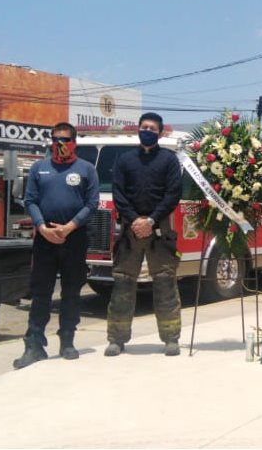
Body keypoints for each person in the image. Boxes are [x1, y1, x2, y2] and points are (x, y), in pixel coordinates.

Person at [13, 122, 99, 369]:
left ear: (74, 142)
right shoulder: (39, 168)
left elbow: (91, 204)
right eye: (56, 139)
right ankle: (34, 345)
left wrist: (69, 227)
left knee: (71, 292)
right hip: (44, 238)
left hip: (75, 237)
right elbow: (30, 200)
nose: (60, 144)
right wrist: (42, 227)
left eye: (65, 139)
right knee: (40, 292)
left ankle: (67, 341)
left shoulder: (86, 169)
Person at [104, 112, 183, 357]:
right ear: (137, 129)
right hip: (131, 232)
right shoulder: (125, 160)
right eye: (143, 126)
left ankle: (171, 338)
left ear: (160, 132)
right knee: (123, 284)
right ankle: (116, 339)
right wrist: (135, 220)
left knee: (165, 282)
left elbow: (173, 194)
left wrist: (150, 220)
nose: (146, 130)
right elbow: (118, 194)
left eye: (151, 127)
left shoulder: (169, 161)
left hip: (160, 231)